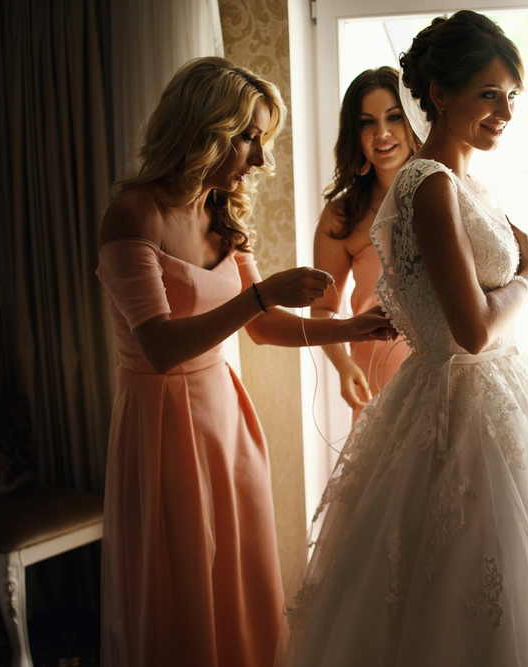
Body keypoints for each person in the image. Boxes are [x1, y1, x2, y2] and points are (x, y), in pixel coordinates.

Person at [283, 12, 528, 666]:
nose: (505, 111)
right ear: (439, 93)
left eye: (512, 95)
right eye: (489, 94)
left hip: (486, 396)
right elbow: (474, 331)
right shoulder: (427, 184)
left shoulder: (463, 181)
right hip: (465, 392)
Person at [96, 57, 394, 667]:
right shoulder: (133, 215)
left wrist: (351, 327)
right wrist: (261, 292)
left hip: (226, 418)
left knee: (241, 574)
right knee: (182, 588)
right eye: (250, 138)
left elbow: (263, 328)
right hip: (162, 427)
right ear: (205, 130)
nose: (259, 158)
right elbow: (159, 346)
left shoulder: (220, 218)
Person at [312, 67, 418, 421]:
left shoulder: (447, 194)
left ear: (413, 119)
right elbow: (322, 309)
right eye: (367, 122)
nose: (382, 133)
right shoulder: (342, 216)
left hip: (445, 373)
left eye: (393, 117)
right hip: (375, 379)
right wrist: (342, 365)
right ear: (354, 134)